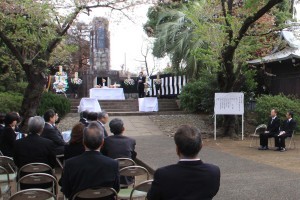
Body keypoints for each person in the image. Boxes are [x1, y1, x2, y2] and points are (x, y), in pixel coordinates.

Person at [147, 125, 220, 200]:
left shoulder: (163, 174)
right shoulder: (214, 171)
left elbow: (152, 197)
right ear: (201, 146)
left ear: (177, 149)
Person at [60, 122, 120, 200]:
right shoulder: (113, 164)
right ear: (102, 143)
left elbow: (66, 191)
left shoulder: (70, 164)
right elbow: (116, 189)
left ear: (83, 142)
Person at [13, 116, 56, 189]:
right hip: (45, 182)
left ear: (29, 127)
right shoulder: (48, 143)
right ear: (42, 128)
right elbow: (52, 164)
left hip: (25, 182)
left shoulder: (18, 143)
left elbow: (16, 162)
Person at [102, 118, 136, 185]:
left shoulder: (106, 141)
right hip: (127, 175)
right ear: (123, 129)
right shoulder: (131, 140)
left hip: (111, 174)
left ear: (111, 130)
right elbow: (132, 154)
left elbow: (104, 155)